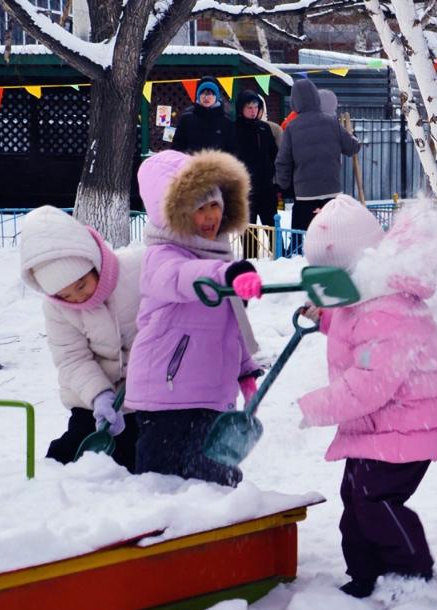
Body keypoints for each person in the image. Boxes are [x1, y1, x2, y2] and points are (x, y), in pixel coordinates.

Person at [293, 195, 437, 599]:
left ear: (362, 266)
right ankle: (364, 572)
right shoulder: (366, 295)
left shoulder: (388, 309)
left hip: (406, 426)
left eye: (334, 275)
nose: (327, 285)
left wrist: (316, 407)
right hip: (382, 428)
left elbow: (371, 384)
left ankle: (412, 571)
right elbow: (356, 330)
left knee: (375, 500)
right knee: (357, 498)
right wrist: (326, 317)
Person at [127, 150, 262, 487]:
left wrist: (244, 368)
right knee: (161, 482)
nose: (210, 216)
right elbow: (184, 277)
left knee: (213, 480)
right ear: (174, 214)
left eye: (214, 205)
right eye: (198, 208)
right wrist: (226, 275)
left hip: (211, 395)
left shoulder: (218, 256)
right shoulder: (161, 258)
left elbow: (230, 325)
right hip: (166, 397)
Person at [18, 206, 142, 472]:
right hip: (94, 400)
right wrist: (99, 396)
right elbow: (71, 358)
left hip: (149, 393)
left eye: (81, 285)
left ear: (95, 264)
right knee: (75, 454)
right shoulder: (56, 308)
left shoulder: (137, 271)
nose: (76, 299)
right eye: (64, 295)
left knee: (141, 458)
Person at [274, 79, 359, 232]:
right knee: (332, 235)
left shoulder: (292, 127)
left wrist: (284, 183)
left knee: (300, 240)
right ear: (316, 98)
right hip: (331, 192)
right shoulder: (331, 122)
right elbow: (351, 148)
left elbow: (283, 161)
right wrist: (354, 139)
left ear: (294, 102)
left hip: (305, 194)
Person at [233, 90, 279, 226]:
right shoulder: (233, 129)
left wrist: (274, 180)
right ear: (241, 108)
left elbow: (274, 155)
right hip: (245, 190)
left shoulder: (264, 128)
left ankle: (279, 249)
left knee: (274, 233)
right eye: (249, 107)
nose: (253, 111)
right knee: (248, 237)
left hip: (266, 189)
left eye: (256, 107)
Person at [172, 76, 237, 155]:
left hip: (216, 165)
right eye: (203, 93)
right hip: (191, 164)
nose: (206, 97)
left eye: (210, 94)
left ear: (216, 96)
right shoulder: (187, 119)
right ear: (198, 96)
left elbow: (232, 152)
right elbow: (177, 147)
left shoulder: (226, 122)